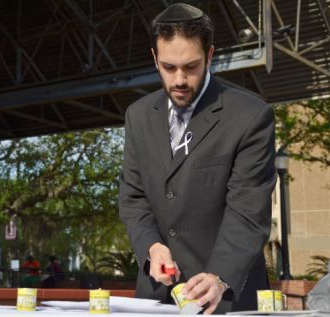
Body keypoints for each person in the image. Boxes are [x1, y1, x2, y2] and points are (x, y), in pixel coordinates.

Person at [118, 3, 276, 314]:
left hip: (227, 298)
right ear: (154, 58)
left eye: (190, 66)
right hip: (156, 299)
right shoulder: (137, 116)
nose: (179, 79)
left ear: (210, 55)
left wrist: (220, 275)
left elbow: (248, 211)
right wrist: (151, 248)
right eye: (168, 67)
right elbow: (132, 196)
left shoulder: (251, 116)